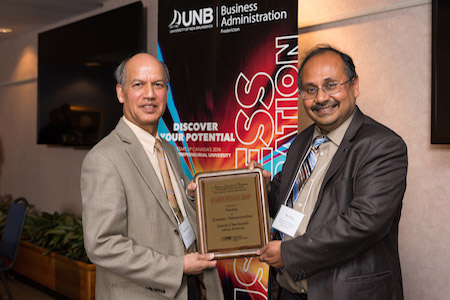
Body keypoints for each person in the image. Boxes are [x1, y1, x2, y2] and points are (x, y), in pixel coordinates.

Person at [253, 45, 408, 300]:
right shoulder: (301, 142)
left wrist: (289, 254)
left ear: (354, 86)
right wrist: (258, 186)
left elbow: (364, 223)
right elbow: (280, 201)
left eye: (331, 85)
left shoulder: (383, 146)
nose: (321, 98)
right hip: (289, 291)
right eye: (310, 89)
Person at [81, 53, 224, 300]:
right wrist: (177, 266)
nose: (150, 94)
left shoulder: (167, 149)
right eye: (138, 84)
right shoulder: (103, 158)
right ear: (120, 93)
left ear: (166, 92)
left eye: (158, 84)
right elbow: (102, 244)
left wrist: (189, 199)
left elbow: (170, 218)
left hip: (190, 285)